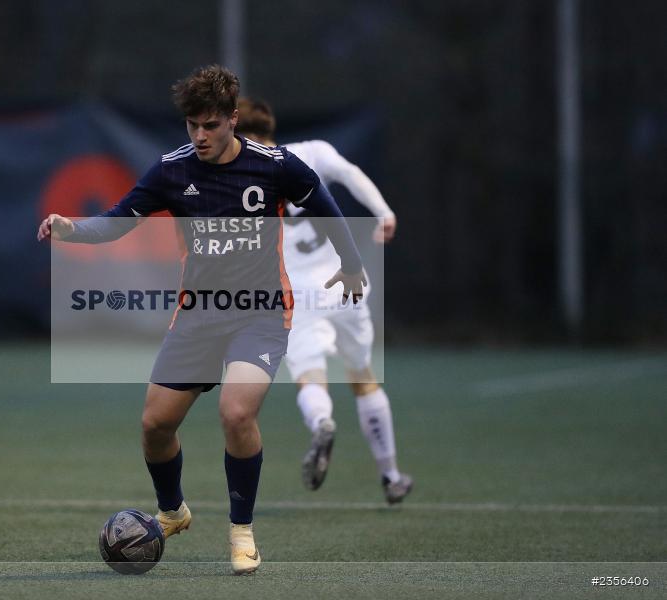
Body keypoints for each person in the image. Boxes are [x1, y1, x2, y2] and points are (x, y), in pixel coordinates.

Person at [37, 66, 366, 574]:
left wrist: (350, 264)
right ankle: (173, 511)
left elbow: (324, 205)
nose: (200, 136)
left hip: (260, 315)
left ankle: (242, 531)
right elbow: (118, 221)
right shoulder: (172, 170)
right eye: (192, 125)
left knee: (236, 413)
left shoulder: (275, 165)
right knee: (154, 425)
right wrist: (70, 227)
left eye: (210, 125)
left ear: (234, 120)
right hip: (197, 318)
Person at [235, 97, 413, 504]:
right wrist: (383, 211)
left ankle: (322, 422)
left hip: (295, 295)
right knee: (364, 377)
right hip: (344, 281)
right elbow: (350, 175)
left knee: (309, 377)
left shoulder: (239, 179)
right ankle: (391, 475)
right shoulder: (310, 152)